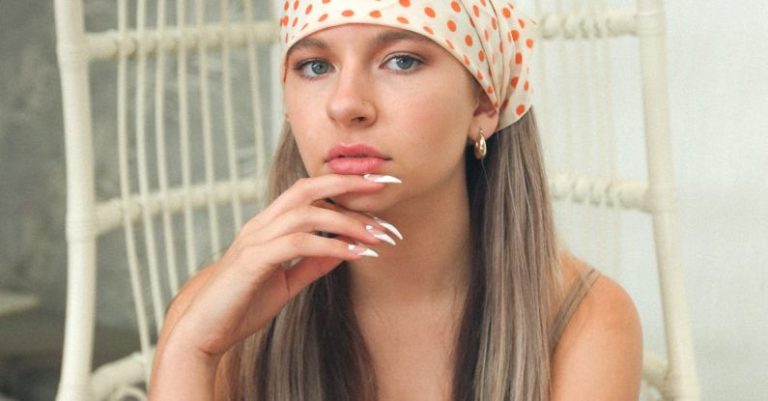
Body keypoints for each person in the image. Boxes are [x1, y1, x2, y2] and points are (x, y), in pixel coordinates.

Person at [149, 1, 642, 400]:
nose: (345, 104)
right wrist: (191, 352)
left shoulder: (585, 319)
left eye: (401, 60)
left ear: (486, 104)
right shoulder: (215, 312)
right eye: (315, 65)